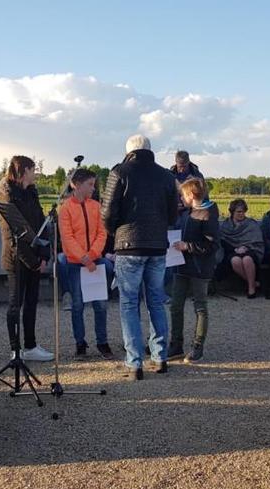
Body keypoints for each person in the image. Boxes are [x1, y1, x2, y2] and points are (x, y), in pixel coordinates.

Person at [101, 134, 178, 380]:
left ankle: (134, 362)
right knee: (156, 301)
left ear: (128, 151)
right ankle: (160, 357)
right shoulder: (167, 175)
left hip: (128, 245)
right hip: (157, 247)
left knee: (129, 304)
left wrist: (115, 231)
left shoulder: (119, 172)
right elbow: (173, 215)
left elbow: (107, 211)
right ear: (149, 150)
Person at [0, 155, 53, 362]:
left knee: (31, 303)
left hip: (35, 258)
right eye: (33, 169)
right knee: (15, 304)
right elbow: (11, 234)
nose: (36, 173)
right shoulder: (8, 195)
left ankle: (30, 346)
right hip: (16, 260)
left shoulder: (31, 193)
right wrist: (32, 261)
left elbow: (41, 224)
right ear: (23, 171)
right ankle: (16, 350)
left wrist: (43, 255)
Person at [59, 168, 113, 359]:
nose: (93, 188)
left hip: (95, 261)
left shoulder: (96, 206)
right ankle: (80, 343)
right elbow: (67, 237)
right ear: (76, 185)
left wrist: (92, 255)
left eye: (94, 184)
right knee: (77, 305)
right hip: (75, 264)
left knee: (100, 304)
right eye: (90, 184)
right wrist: (83, 257)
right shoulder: (65, 208)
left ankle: (102, 342)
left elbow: (102, 233)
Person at [168, 178, 219, 362]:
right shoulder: (187, 212)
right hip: (181, 265)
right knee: (175, 306)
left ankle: (198, 345)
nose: (181, 198)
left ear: (190, 195)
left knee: (200, 307)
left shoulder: (208, 214)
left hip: (199, 268)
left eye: (183, 194)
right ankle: (176, 344)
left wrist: (187, 246)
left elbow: (212, 245)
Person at [220, 198, 264, 298]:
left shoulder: (251, 224)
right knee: (235, 260)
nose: (241, 214)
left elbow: (257, 241)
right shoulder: (226, 225)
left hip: (251, 250)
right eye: (238, 212)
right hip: (233, 251)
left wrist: (246, 247)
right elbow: (223, 241)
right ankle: (253, 283)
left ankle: (251, 289)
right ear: (232, 212)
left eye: (243, 211)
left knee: (247, 259)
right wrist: (235, 249)